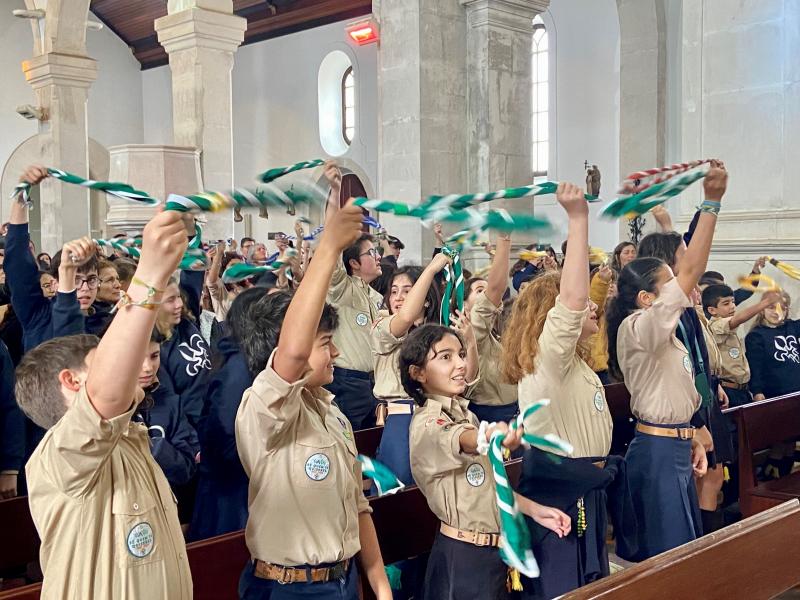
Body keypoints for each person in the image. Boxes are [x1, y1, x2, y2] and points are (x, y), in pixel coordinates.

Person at [16, 209, 193, 598]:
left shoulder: (129, 440)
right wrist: (150, 272)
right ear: (72, 382)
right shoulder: (63, 453)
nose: (127, 369)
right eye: (104, 366)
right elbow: (107, 395)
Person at [235, 200, 391, 599]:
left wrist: (379, 586)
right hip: (289, 589)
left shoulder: (331, 411)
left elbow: (358, 506)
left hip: (341, 580)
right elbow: (293, 353)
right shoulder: (263, 408)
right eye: (326, 343)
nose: (335, 353)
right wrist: (328, 249)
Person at [606, 162, 729, 560]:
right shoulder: (639, 327)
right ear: (646, 297)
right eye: (669, 283)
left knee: (685, 552)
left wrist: (691, 433)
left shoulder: (664, 327)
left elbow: (676, 391)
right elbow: (692, 269)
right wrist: (711, 202)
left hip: (675, 445)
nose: (681, 285)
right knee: (669, 559)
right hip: (656, 454)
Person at [501, 183, 616, 598]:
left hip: (583, 491)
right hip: (560, 497)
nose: (592, 306)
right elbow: (571, 299)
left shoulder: (571, 363)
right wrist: (578, 218)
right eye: (583, 302)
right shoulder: (550, 356)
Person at [400, 323, 571, 600]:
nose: (460, 364)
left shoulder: (465, 415)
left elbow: (489, 490)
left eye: (460, 354)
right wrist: (491, 434)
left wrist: (534, 510)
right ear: (418, 373)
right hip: (463, 557)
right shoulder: (427, 423)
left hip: (490, 552)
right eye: (445, 357)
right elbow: (462, 439)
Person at [189, 287, 269, 542]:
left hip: (242, 491)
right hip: (231, 502)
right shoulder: (238, 371)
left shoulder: (252, 363)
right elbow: (226, 443)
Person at [371, 256, 452, 485]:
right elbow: (405, 317)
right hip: (402, 418)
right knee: (400, 490)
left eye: (407, 291)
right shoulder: (382, 324)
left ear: (425, 300)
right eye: (394, 291)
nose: (398, 297)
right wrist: (432, 268)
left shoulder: (439, 332)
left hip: (438, 415)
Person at [5, 166, 99, 352]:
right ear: (55, 283)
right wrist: (21, 195)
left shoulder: (106, 321)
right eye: (76, 280)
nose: (85, 288)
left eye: (91, 279)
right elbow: (18, 264)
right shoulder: (38, 315)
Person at [323, 162, 385, 429]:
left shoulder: (374, 296)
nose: (378, 256)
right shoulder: (341, 288)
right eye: (371, 253)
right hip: (348, 382)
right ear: (354, 264)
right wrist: (336, 190)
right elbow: (330, 244)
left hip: (374, 382)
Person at [135, 328, 200, 490]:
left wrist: (152, 447)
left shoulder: (169, 401)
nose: (148, 367)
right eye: (137, 357)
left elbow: (187, 468)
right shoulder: (106, 409)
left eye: (154, 356)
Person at [466, 234, 518, 424]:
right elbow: (496, 290)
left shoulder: (499, 328)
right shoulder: (471, 330)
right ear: (464, 305)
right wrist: (504, 239)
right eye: (480, 291)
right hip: (490, 415)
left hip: (512, 411)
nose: (486, 297)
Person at [703, 284, 781, 408]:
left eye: (733, 302)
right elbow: (738, 319)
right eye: (726, 303)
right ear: (712, 310)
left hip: (742, 390)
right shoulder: (715, 325)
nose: (732, 306)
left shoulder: (730, 328)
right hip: (728, 390)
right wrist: (765, 302)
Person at [155, 278, 210, 428]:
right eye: (170, 300)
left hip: (217, 414)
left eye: (178, 296)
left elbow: (193, 274)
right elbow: (170, 401)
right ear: (154, 305)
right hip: (197, 426)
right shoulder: (155, 350)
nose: (179, 304)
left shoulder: (185, 323)